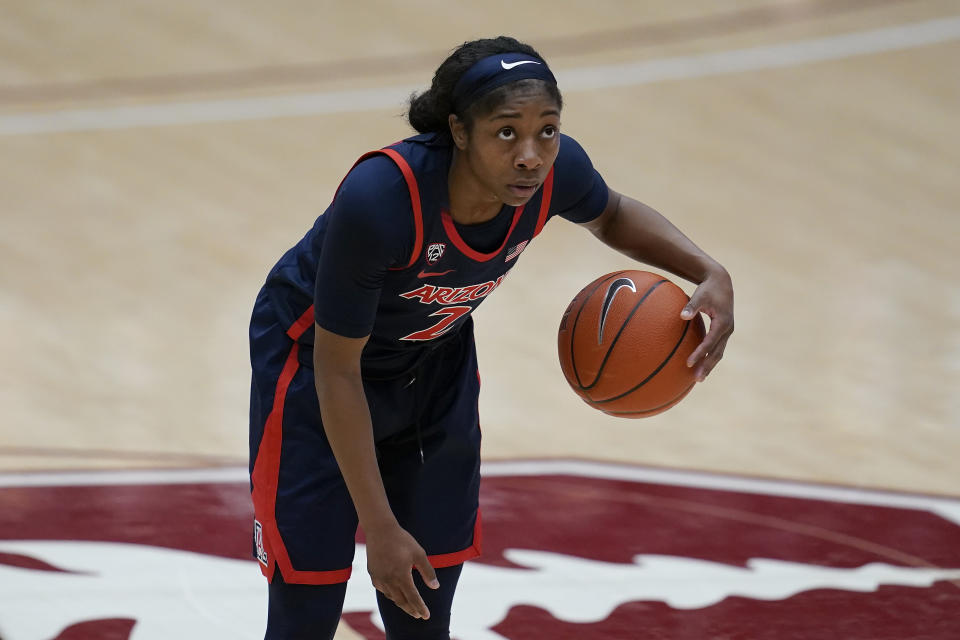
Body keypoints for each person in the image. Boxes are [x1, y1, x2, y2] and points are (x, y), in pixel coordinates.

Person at [248, 35, 734, 639]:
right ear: (458, 131)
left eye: (548, 130)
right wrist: (379, 526)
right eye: (507, 132)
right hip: (316, 371)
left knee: (424, 605)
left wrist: (708, 270)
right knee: (307, 603)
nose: (531, 155)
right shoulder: (381, 200)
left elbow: (609, 212)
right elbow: (337, 369)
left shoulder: (555, 174)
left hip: (433, 361)